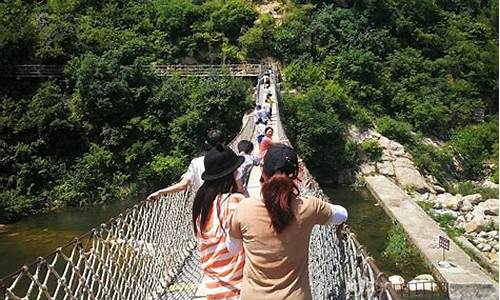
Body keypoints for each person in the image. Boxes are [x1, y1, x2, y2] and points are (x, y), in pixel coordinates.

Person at [228, 144, 348, 300]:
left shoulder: (244, 208)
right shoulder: (309, 207)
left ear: (263, 173)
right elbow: (342, 215)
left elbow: (233, 249)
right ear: (296, 175)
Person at [193, 144, 246, 299]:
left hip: (213, 289)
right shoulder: (235, 202)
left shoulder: (201, 207)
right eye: (236, 171)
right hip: (238, 288)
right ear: (231, 175)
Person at [147, 129, 223, 200]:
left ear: (206, 143)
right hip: (226, 201)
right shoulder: (230, 159)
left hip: (206, 203)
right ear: (223, 143)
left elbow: (183, 185)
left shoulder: (196, 163)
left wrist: (160, 192)